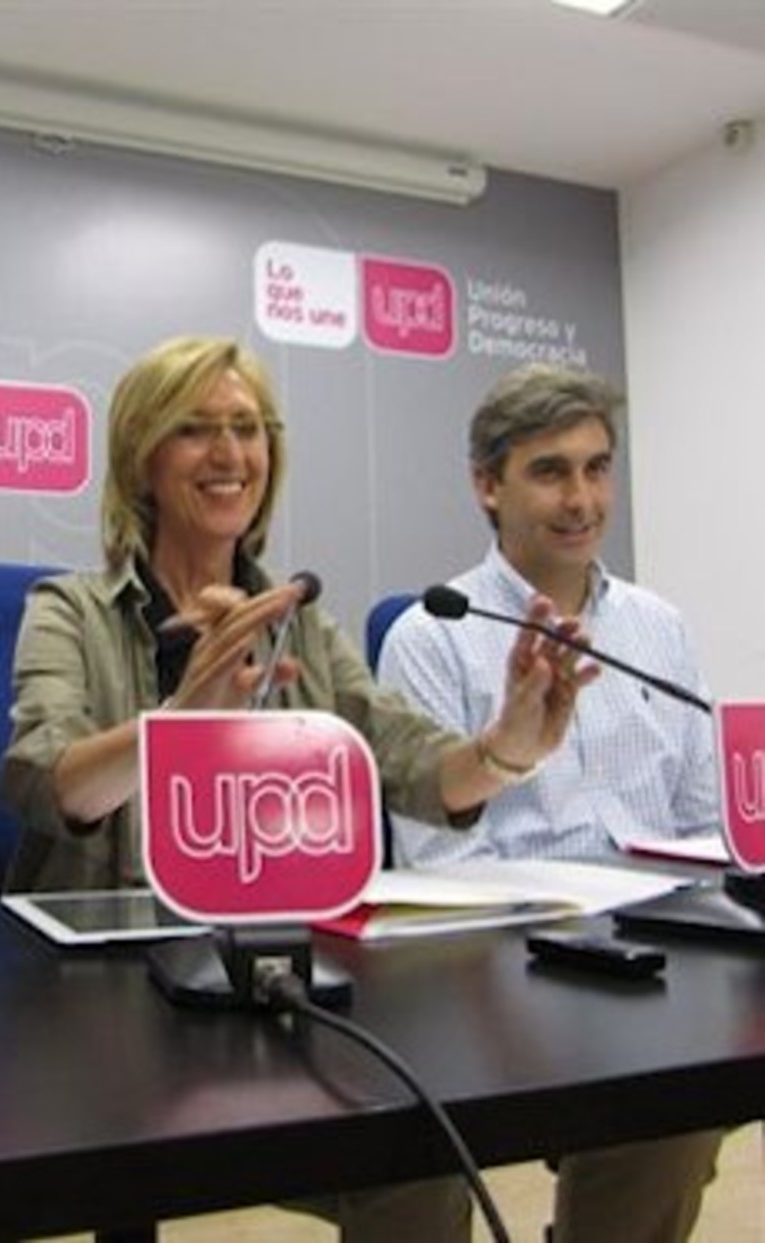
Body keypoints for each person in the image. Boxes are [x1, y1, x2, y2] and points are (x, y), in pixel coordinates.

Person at [0, 337, 597, 1243]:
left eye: (248, 428)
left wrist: (508, 748)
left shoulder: (298, 622)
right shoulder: (69, 609)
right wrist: (180, 723)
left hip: (265, 983)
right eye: (194, 428)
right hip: (100, 1005)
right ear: (141, 457)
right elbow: (50, 780)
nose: (229, 453)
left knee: (421, 1161)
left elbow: (413, 761)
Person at [377, 361, 724, 1243]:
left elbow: (700, 826)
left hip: (655, 952)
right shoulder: (431, 635)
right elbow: (440, 866)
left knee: (682, 1109)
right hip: (508, 964)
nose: (581, 498)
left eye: (597, 467)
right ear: (487, 485)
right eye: (550, 471)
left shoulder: (658, 627)